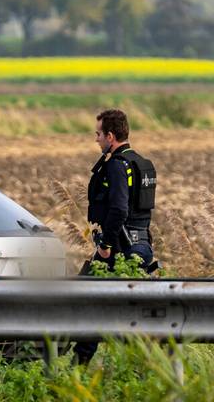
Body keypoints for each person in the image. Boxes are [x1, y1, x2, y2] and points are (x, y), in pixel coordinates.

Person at [74, 108, 158, 363]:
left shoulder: (117, 166)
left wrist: (106, 246)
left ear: (110, 136)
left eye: (98, 134)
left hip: (119, 247)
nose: (96, 139)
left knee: (82, 299)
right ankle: (149, 366)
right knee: (140, 315)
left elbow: (120, 209)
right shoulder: (143, 164)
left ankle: (78, 367)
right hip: (142, 246)